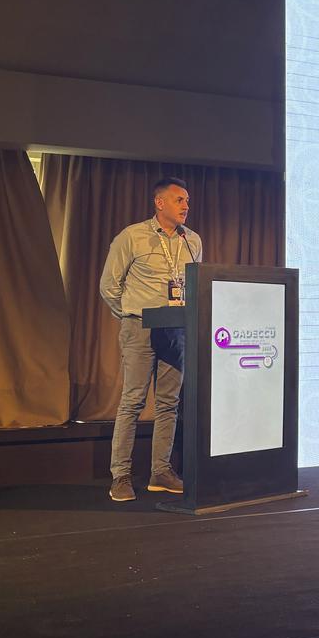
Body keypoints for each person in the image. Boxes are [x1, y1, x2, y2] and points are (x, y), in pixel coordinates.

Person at [99, 177, 203, 502]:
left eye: (187, 200)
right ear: (160, 203)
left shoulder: (192, 240)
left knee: (169, 403)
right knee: (132, 401)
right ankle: (120, 476)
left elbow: (194, 285)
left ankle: (161, 472)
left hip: (176, 330)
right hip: (139, 328)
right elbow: (109, 286)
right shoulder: (132, 236)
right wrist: (130, 316)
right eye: (179, 200)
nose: (186, 206)